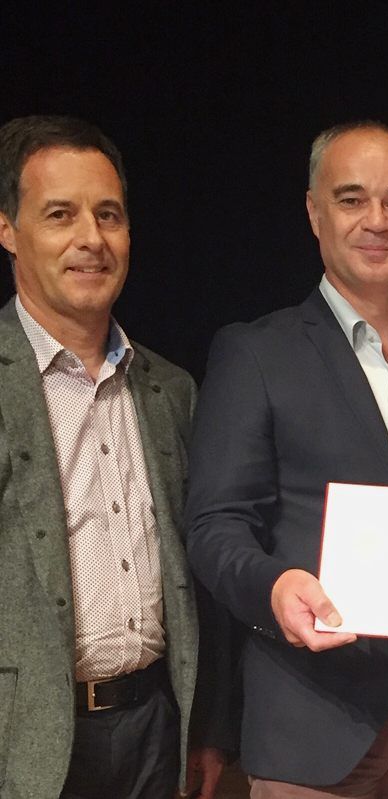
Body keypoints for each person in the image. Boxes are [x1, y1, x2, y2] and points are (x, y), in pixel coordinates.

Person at [184, 121, 388, 797]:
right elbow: (215, 525)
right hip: (310, 714)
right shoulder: (257, 353)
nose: (376, 221)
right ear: (314, 212)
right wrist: (274, 588)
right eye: (352, 198)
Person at [0, 115, 231, 798]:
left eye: (109, 215)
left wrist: (207, 724)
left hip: (155, 731)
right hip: (22, 743)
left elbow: (201, 576)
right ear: (8, 228)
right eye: (60, 214)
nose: (91, 239)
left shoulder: (171, 390)